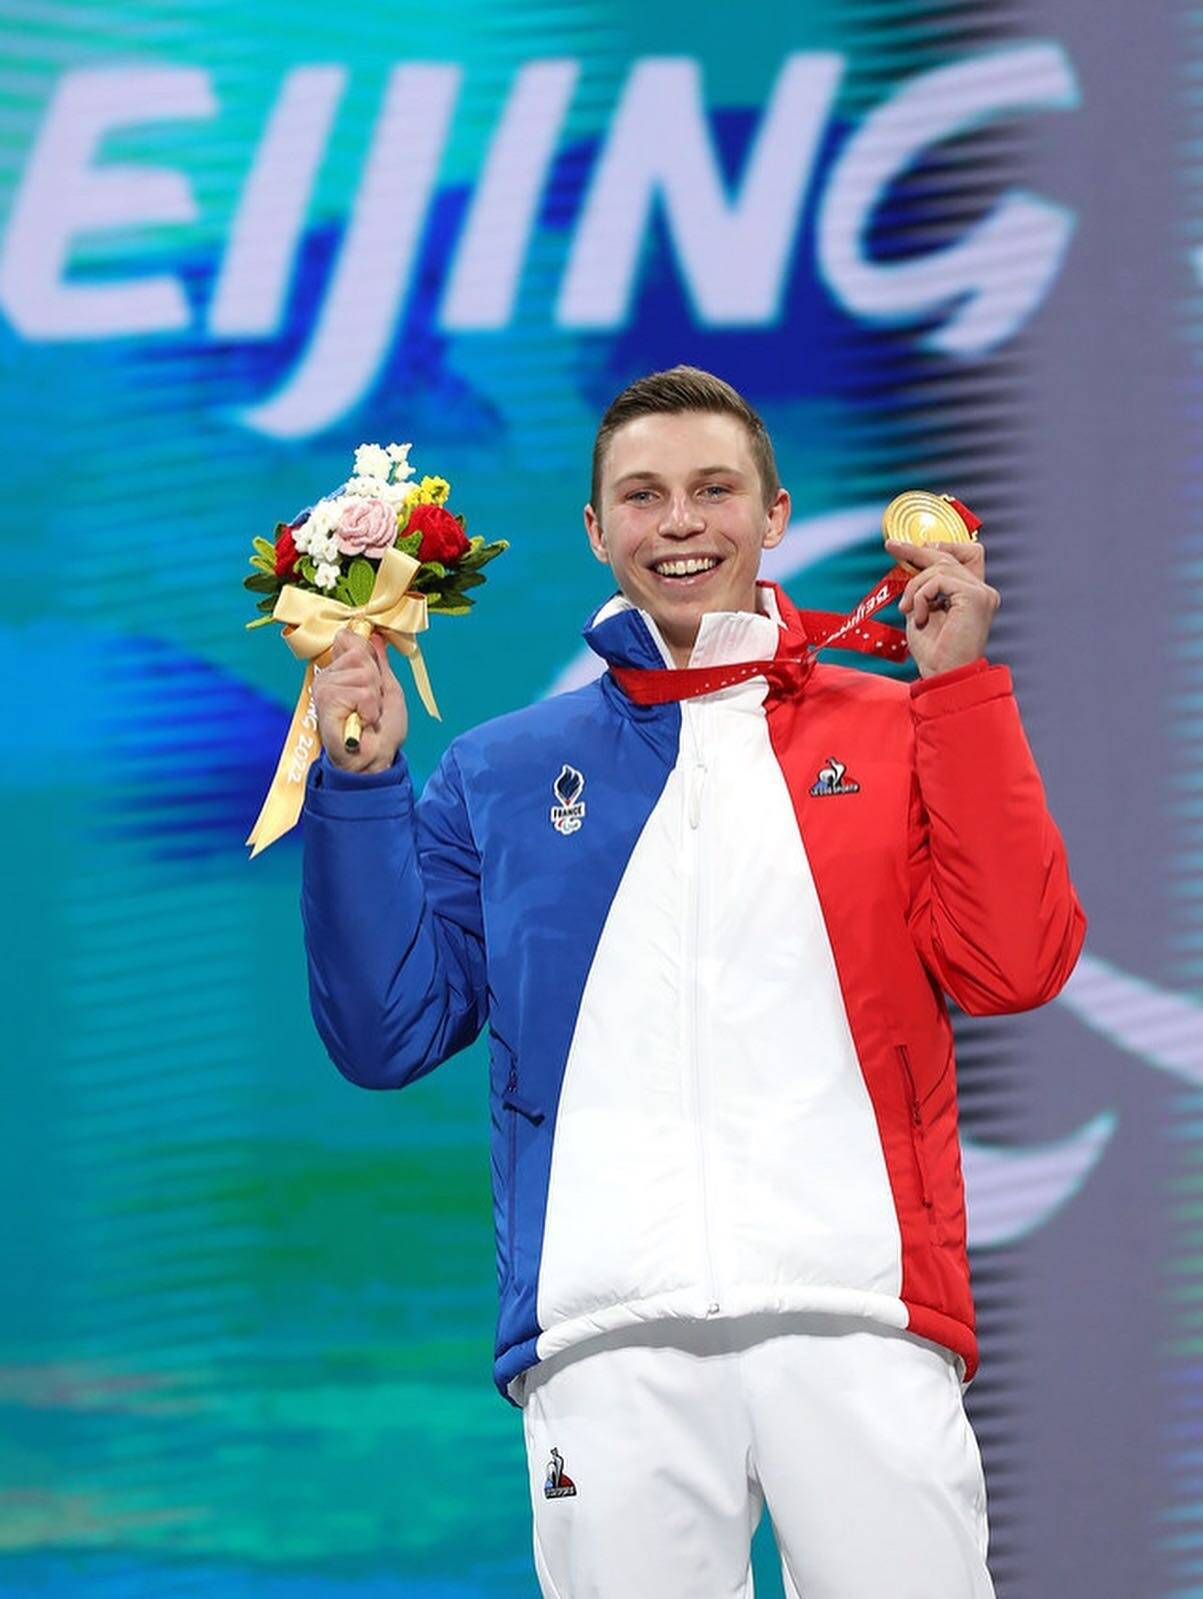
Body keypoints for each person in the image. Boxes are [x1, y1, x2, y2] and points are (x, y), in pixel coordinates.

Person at [300, 365, 1087, 1598]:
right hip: (605, 1336)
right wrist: (359, 785)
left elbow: (1016, 965)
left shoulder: (898, 726)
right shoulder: (503, 771)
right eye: (644, 495)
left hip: (861, 1313)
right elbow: (384, 1031)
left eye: (714, 490)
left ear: (772, 517)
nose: (680, 522)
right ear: (595, 528)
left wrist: (961, 695)